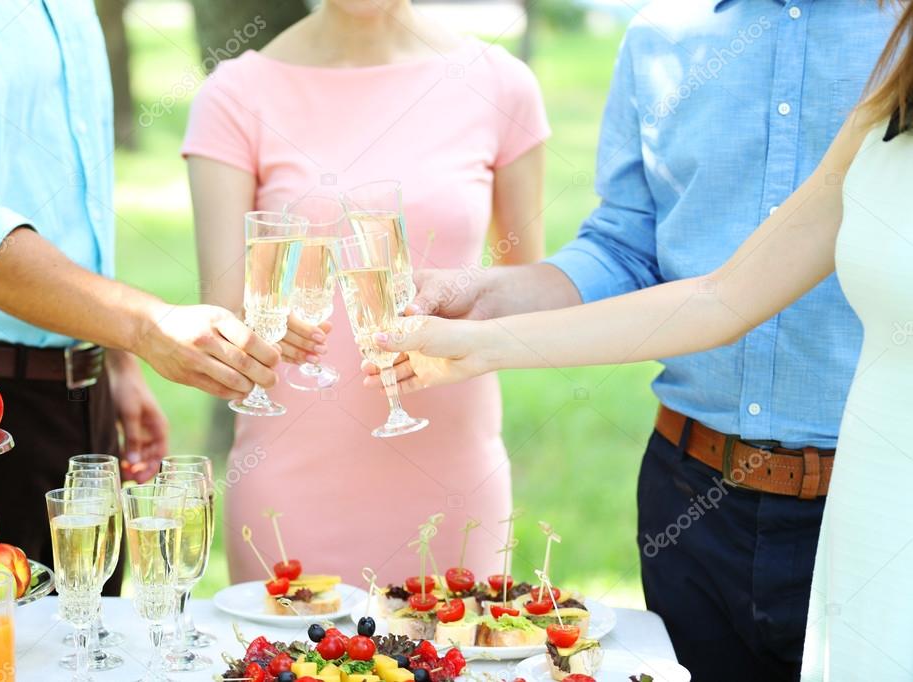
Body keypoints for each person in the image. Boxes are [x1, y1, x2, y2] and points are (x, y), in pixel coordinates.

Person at [370, 3, 913, 678]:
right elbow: (701, 286)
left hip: (868, 506)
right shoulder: (676, 37)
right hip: (691, 502)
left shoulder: (893, 51)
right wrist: (487, 319)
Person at [0, 0, 282, 594]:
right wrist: (146, 327)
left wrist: (113, 359)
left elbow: (74, 201)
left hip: (84, 398)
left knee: (88, 646)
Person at [182, 0, 548, 584]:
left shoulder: (501, 84)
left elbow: (531, 289)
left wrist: (452, 308)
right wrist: (260, 326)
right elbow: (225, 303)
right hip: (292, 482)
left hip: (452, 472)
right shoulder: (235, 94)